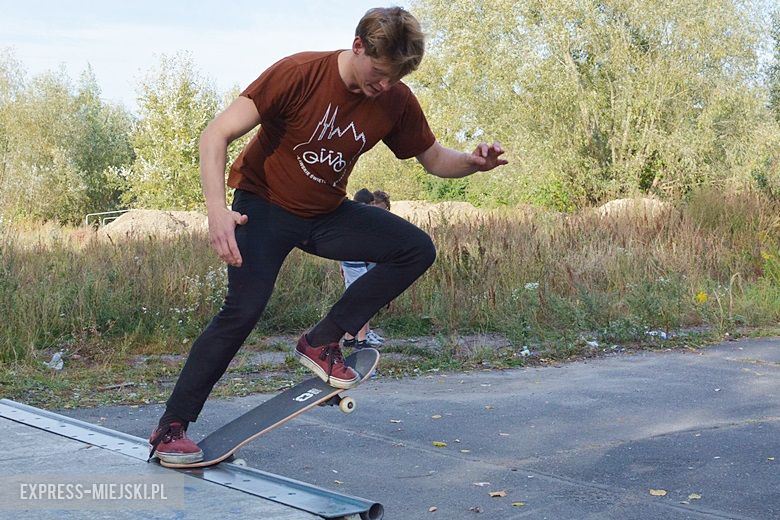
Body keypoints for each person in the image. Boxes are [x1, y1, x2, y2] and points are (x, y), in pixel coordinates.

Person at [148, 6, 508, 464]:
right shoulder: (299, 73)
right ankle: (171, 427)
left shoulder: (396, 98)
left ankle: (322, 339)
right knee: (242, 311)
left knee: (414, 249)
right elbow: (215, 133)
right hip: (263, 208)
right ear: (358, 45)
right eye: (378, 74)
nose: (383, 87)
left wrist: (473, 163)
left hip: (325, 213)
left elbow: (435, 159)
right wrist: (216, 211)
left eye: (393, 79)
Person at [340, 188, 384, 349]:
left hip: (350, 263)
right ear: (368, 203)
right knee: (362, 301)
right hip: (357, 264)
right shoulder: (362, 217)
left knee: (352, 300)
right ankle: (361, 340)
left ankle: (349, 337)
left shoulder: (348, 216)